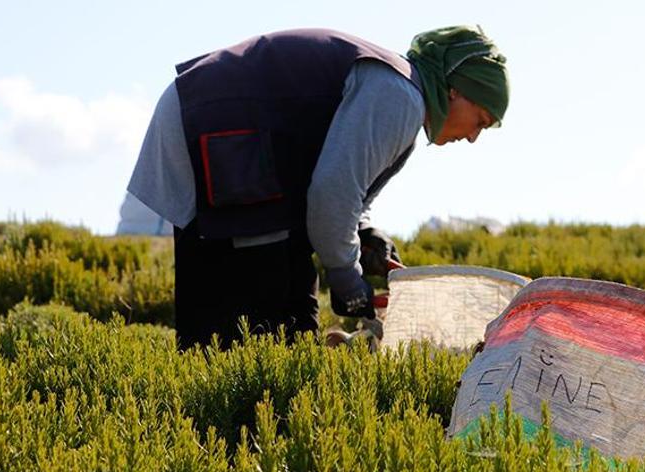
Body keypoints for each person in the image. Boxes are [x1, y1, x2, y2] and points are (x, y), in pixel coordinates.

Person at [126, 26, 510, 350]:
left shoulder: (400, 91)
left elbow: (344, 193)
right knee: (253, 325)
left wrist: (364, 234)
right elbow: (331, 197)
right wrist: (349, 282)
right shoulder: (400, 97)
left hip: (213, 126)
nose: (474, 137)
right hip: (222, 134)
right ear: (457, 90)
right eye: (481, 119)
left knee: (275, 319)